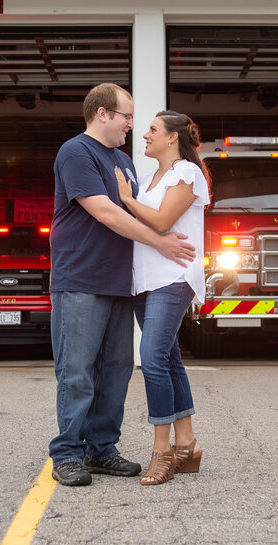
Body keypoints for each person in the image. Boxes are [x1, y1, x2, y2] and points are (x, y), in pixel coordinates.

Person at [48, 84, 197, 488]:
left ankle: (101, 449)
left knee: (115, 371)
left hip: (120, 283)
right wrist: (161, 242)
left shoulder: (123, 161)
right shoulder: (76, 152)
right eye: (126, 116)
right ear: (102, 114)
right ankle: (67, 454)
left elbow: (145, 208)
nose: (132, 125)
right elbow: (105, 212)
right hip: (80, 278)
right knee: (76, 371)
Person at [116, 110, 210, 486]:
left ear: (172, 137)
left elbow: (160, 223)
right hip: (146, 280)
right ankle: (187, 445)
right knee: (169, 359)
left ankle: (162, 451)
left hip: (173, 277)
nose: (145, 135)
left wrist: (126, 198)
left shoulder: (186, 172)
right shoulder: (152, 176)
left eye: (152, 130)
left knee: (152, 357)